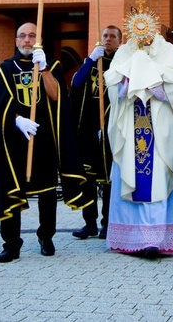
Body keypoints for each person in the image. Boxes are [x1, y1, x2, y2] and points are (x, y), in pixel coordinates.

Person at [0, 22, 89, 262]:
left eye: (32, 36)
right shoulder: (4, 69)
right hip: (15, 141)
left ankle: (46, 236)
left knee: (46, 193)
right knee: (12, 192)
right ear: (16, 40)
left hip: (43, 139)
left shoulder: (52, 65)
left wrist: (44, 69)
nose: (26, 40)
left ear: (39, 41)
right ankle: (11, 244)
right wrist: (17, 120)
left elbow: (56, 96)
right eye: (22, 36)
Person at [103, 4, 173, 258]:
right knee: (130, 172)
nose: (142, 35)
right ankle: (128, 238)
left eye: (147, 29)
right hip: (130, 126)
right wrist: (130, 78)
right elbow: (113, 84)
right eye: (137, 30)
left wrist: (149, 77)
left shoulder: (170, 52)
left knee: (157, 180)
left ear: (154, 28)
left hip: (159, 127)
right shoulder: (123, 53)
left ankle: (155, 240)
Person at [69, 25, 122, 240]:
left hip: (112, 126)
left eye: (112, 37)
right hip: (89, 128)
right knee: (88, 179)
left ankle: (107, 223)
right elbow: (76, 83)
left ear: (120, 40)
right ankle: (89, 223)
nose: (108, 39)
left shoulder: (122, 63)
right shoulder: (92, 62)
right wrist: (91, 59)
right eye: (105, 36)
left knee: (109, 181)